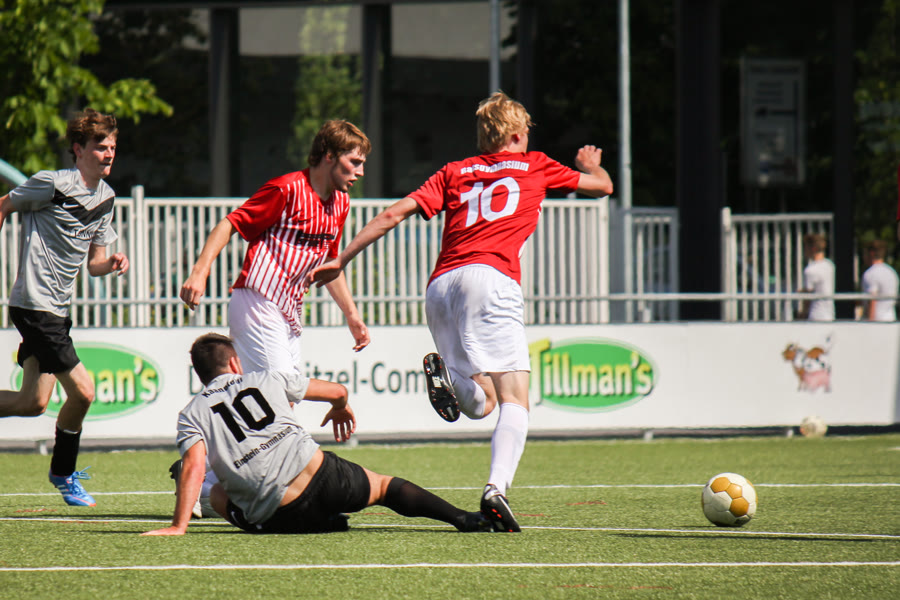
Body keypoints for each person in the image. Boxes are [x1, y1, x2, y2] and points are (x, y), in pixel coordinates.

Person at [308, 92, 614, 532]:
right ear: (516, 134)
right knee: (515, 400)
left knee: (482, 402)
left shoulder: (455, 171)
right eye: (526, 133)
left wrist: (343, 258)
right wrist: (590, 165)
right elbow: (602, 187)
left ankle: (453, 380)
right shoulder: (535, 165)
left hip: (441, 287)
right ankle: (496, 490)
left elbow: (394, 214)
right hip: (491, 280)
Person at [143, 333, 491, 536]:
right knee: (385, 487)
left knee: (218, 492)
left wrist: (178, 526)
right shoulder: (266, 378)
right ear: (235, 363)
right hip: (324, 477)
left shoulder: (191, 414)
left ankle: (322, 522)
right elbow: (338, 391)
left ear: (200, 374)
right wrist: (340, 407)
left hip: (277, 515)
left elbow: (194, 466)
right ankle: (461, 518)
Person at [0, 108, 129, 507]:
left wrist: (112, 263)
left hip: (57, 311)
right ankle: (63, 472)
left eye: (112, 147)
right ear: (78, 149)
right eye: (100, 147)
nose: (109, 154)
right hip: (34, 305)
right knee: (84, 392)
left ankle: (62, 471)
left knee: (32, 403)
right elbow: (3, 204)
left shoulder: (106, 198)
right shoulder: (52, 184)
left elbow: (94, 264)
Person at [180, 120, 372, 375]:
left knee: (281, 395)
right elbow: (228, 224)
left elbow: (329, 264)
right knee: (281, 388)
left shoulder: (341, 203)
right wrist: (199, 272)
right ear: (329, 156)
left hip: (289, 312)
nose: (360, 172)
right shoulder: (287, 189)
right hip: (257, 303)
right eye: (354, 162)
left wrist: (352, 315)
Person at [797, 232, 835, 322]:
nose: (805, 251)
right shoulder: (829, 265)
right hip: (829, 314)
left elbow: (808, 296)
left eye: (806, 247)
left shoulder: (811, 269)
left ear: (813, 248)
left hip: (815, 315)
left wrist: (803, 314)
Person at [860, 239, 898, 322]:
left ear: (871, 253)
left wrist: (869, 324)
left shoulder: (870, 273)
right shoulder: (892, 272)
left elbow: (872, 300)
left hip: (877, 322)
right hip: (892, 320)